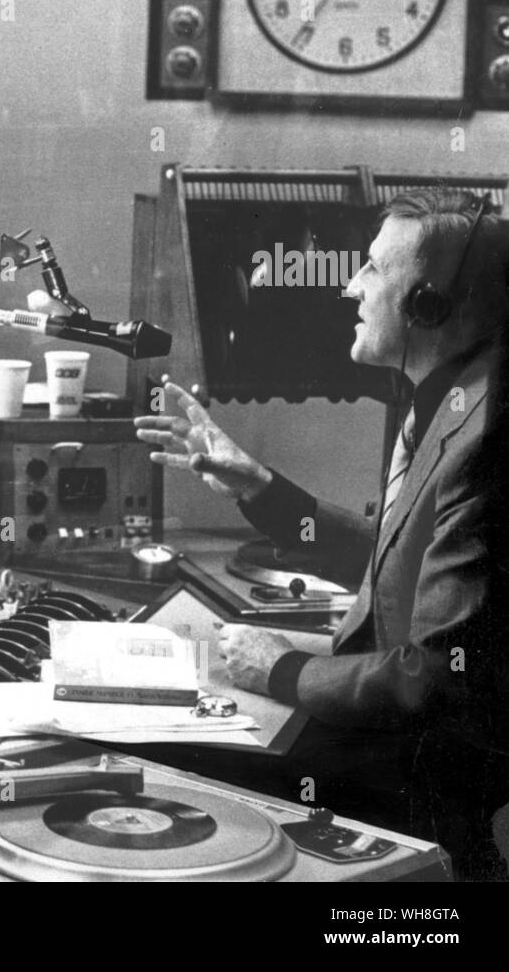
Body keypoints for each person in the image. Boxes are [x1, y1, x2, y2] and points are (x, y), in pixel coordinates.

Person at [134, 188, 509, 879]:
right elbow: (397, 559)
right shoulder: (451, 392)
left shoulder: (484, 432)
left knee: (153, 759)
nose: (349, 285)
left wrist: (281, 667)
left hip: (423, 765)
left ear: (428, 304)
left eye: (371, 268)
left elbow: (430, 678)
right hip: (403, 730)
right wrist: (260, 486)